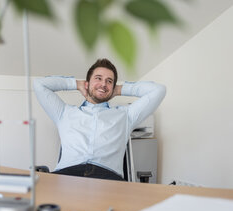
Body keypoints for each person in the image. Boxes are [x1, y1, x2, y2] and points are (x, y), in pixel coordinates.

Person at [34, 58, 166, 181]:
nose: (103, 84)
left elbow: (159, 90)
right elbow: (39, 84)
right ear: (87, 83)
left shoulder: (126, 115)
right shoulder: (64, 112)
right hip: (66, 176)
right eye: (98, 78)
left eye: (109, 81)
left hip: (108, 178)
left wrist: (119, 89)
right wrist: (76, 84)